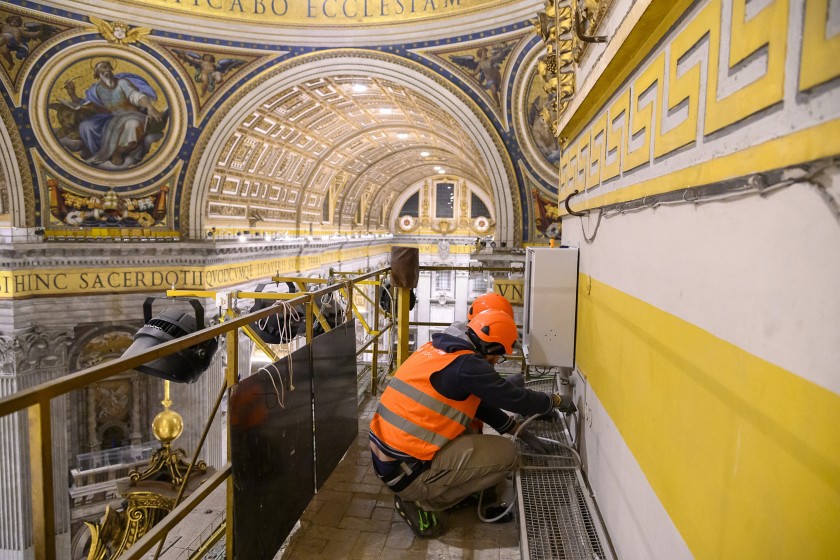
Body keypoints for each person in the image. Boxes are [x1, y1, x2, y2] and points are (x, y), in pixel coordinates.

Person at [369, 309, 576, 538]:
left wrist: (518, 430)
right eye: (500, 355)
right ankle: (425, 504)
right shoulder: (468, 365)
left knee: (470, 426)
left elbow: (476, 404)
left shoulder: (438, 349)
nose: (497, 361)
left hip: (388, 458)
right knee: (507, 454)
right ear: (492, 347)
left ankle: (446, 486)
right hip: (407, 473)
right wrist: (553, 401)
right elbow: (516, 400)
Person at [62, 60, 165, 168]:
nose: (107, 70)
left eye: (108, 67)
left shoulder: (122, 83)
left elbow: (136, 96)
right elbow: (85, 104)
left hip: (132, 115)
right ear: (97, 73)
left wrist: (150, 107)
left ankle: (118, 152)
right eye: (103, 68)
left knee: (132, 124)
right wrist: (72, 94)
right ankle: (100, 152)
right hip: (111, 118)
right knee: (86, 125)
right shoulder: (96, 90)